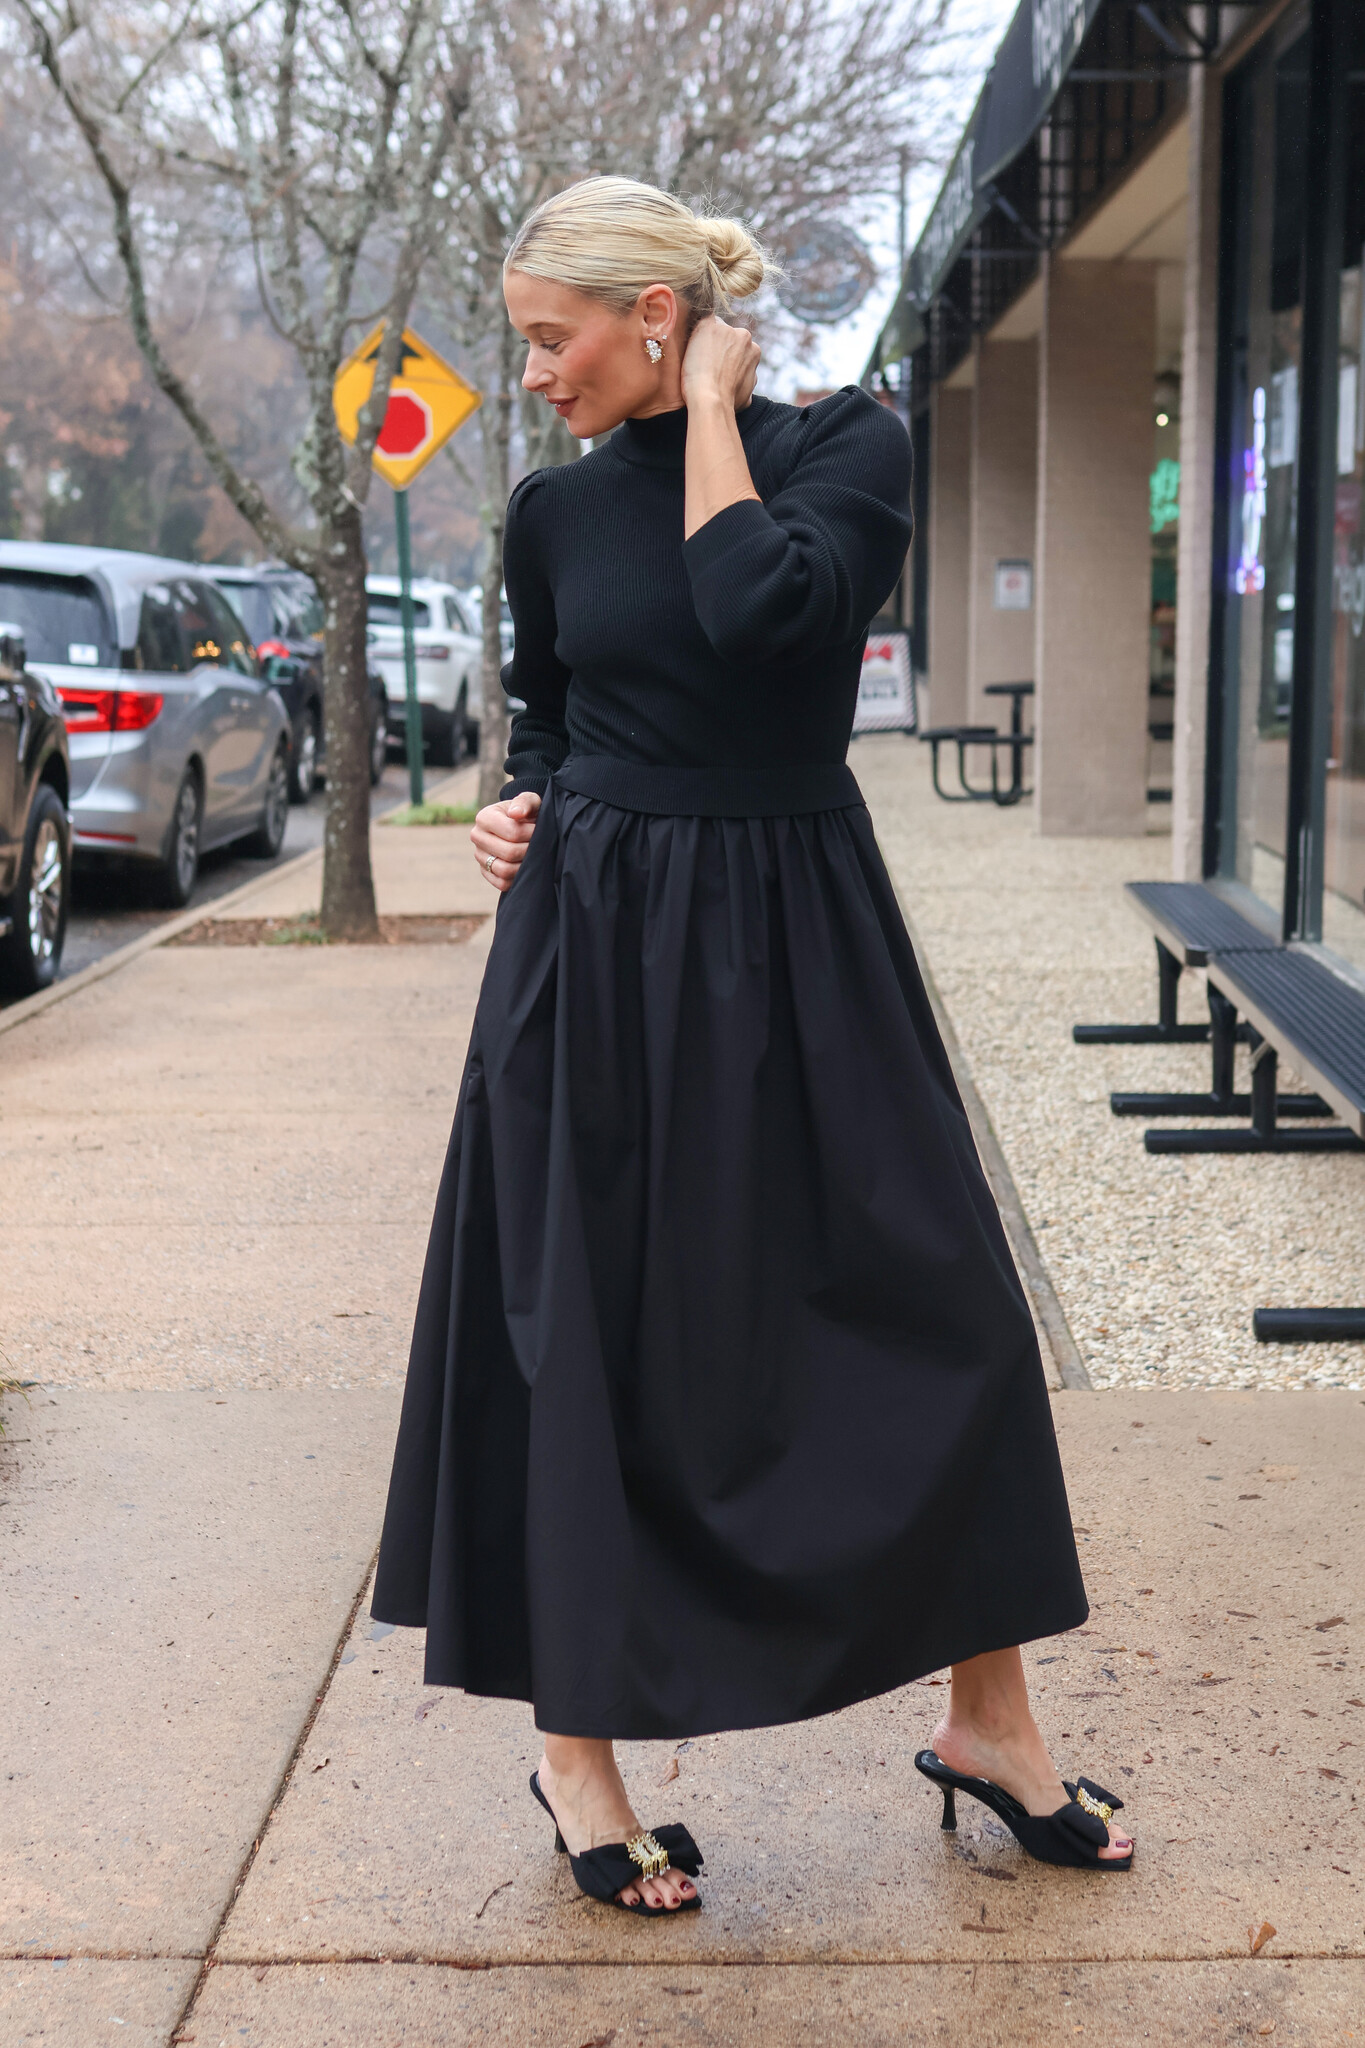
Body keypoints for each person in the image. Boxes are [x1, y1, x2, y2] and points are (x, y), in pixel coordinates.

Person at [371, 175, 1133, 1913]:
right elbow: (554, 711)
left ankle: (989, 1723)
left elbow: (765, 618)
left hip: (800, 931)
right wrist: (513, 807)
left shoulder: (840, 448)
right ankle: (579, 1761)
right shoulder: (552, 511)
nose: (533, 375)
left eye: (552, 339)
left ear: (656, 315)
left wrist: (712, 412)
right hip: (595, 947)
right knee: (590, 1332)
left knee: (943, 1309)